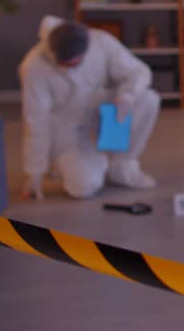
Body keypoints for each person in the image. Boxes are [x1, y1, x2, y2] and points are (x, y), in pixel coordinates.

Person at [19, 15, 160, 200]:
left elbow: (138, 71)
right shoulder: (34, 67)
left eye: (77, 62)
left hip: (100, 108)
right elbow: (36, 121)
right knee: (84, 186)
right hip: (65, 126)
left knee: (148, 99)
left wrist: (126, 97)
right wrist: (34, 173)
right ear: (53, 54)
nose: (72, 68)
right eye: (66, 65)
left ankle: (121, 166)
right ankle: (69, 163)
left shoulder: (101, 41)